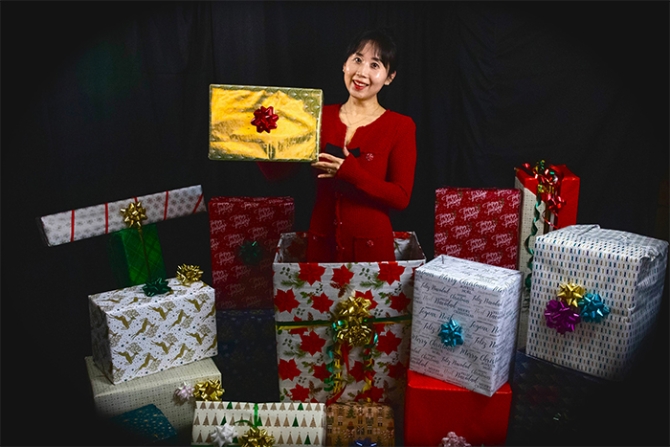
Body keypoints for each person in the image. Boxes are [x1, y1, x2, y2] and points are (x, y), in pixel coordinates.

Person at [262, 28, 417, 263]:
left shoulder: (400, 126)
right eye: (357, 60)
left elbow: (401, 197)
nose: (362, 72)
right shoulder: (316, 117)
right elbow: (278, 173)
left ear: (389, 77)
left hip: (372, 252)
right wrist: (259, 142)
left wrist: (351, 174)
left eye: (375, 65)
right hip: (321, 246)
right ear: (345, 65)